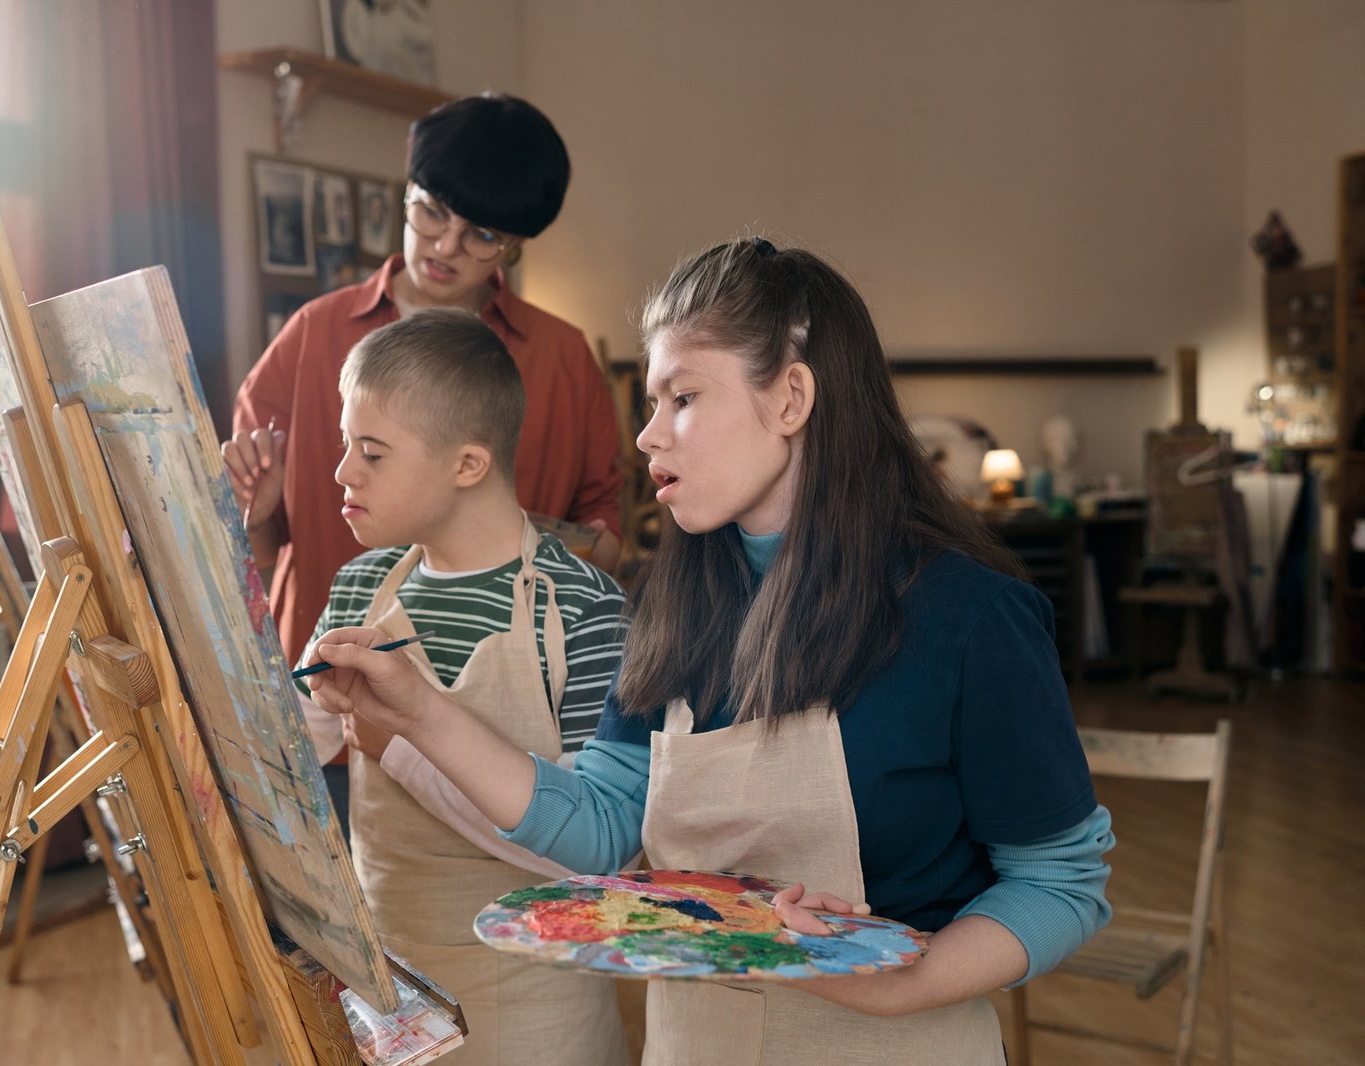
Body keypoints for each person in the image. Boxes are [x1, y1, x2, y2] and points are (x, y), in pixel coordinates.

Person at [305, 238, 1114, 1065]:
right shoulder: (670, 603)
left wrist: (905, 980)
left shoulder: (969, 616)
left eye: (682, 397)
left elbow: (1061, 884)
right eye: (650, 405)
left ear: (792, 396)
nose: (649, 437)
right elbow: (601, 829)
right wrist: (420, 712)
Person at [226, 92, 624, 827]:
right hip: (335, 719)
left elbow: (603, 528)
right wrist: (258, 510)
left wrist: (504, 529)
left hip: (506, 736)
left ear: (515, 246)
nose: (445, 247)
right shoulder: (315, 336)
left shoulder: (561, 358)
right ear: (403, 196)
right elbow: (246, 551)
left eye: (481, 235)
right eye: (430, 213)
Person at [295, 309, 629, 1065]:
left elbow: (590, 860)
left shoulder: (583, 606)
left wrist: (401, 744)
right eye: (346, 444)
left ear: (469, 465)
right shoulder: (360, 587)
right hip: (394, 997)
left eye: (372, 453)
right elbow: (292, 751)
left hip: (545, 1010)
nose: (343, 471)